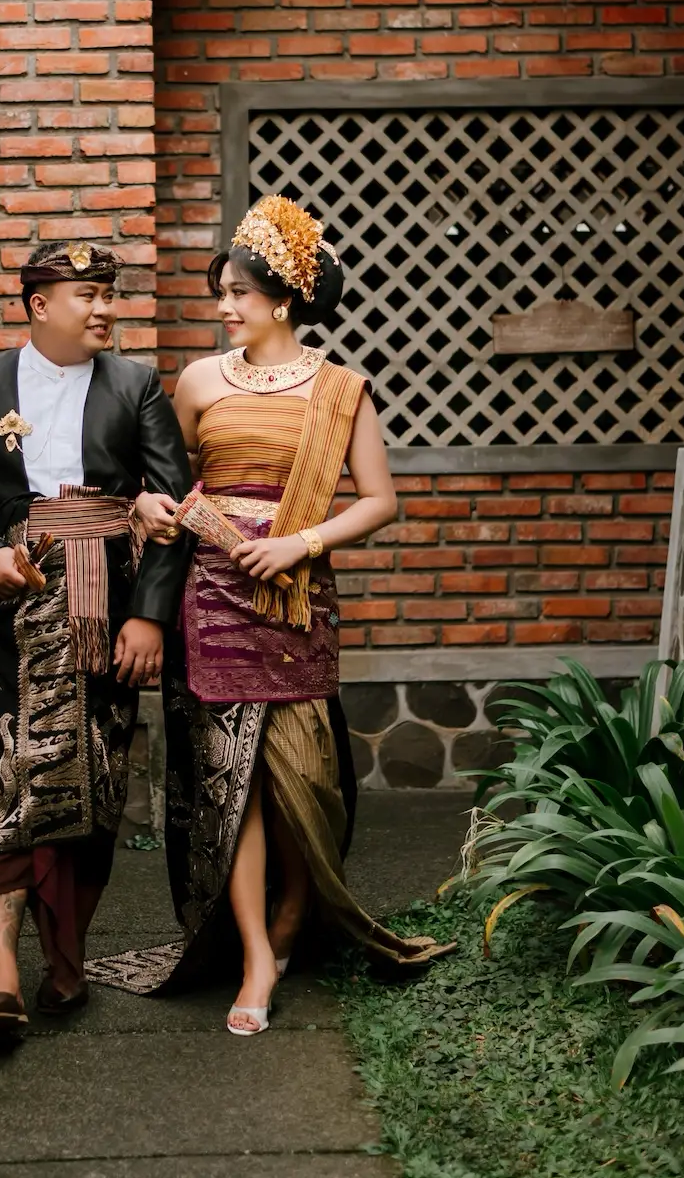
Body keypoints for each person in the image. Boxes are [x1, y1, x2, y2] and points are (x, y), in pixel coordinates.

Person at [90, 196, 454, 1033]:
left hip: (294, 602)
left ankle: (293, 916)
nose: (224, 307)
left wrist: (300, 544)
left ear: (283, 300)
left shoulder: (340, 391)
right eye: (221, 293)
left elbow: (380, 500)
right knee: (233, 786)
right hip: (211, 601)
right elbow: (164, 481)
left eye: (239, 294)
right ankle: (255, 955)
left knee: (299, 780)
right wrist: (147, 506)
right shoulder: (198, 382)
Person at [0, 240, 192, 1040]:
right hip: (7, 614)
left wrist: (150, 616)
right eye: (87, 294)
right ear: (39, 304)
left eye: (109, 293)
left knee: (95, 785)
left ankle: (67, 958)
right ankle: (2, 971)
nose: (105, 308)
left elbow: (174, 508)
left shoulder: (136, 385)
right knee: (0, 780)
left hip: (108, 615)